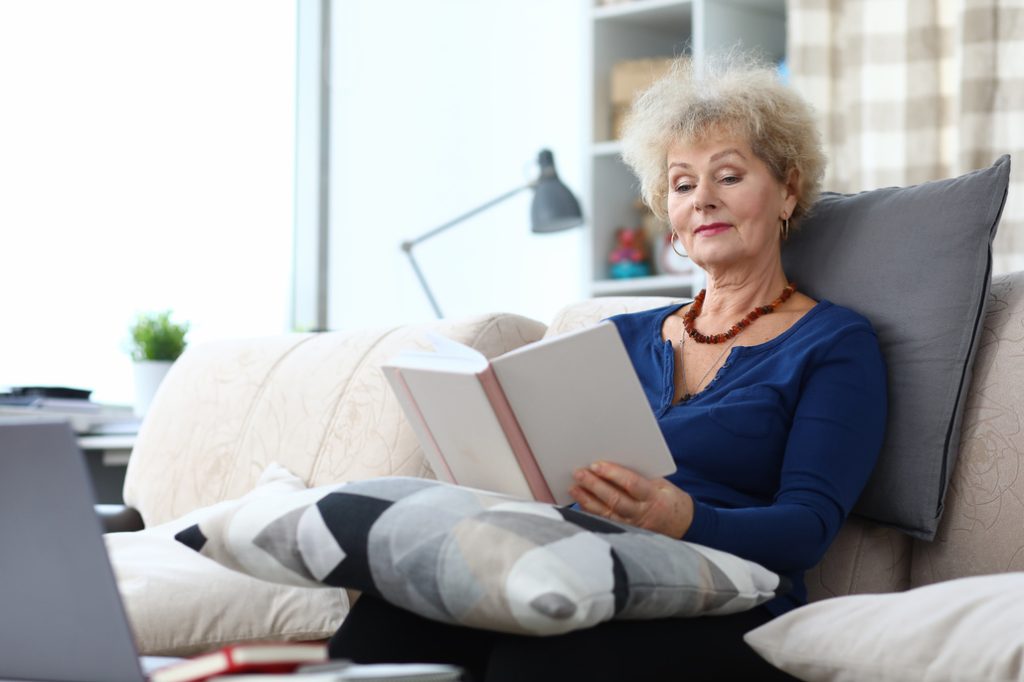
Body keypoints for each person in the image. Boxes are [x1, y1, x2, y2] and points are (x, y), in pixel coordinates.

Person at [328, 54, 888, 682]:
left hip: (727, 605)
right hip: (576, 571)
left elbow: (807, 528)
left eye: (728, 176)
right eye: (682, 184)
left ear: (787, 189)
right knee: (393, 616)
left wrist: (683, 518)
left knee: (540, 651)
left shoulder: (835, 343)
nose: (702, 199)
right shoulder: (617, 338)